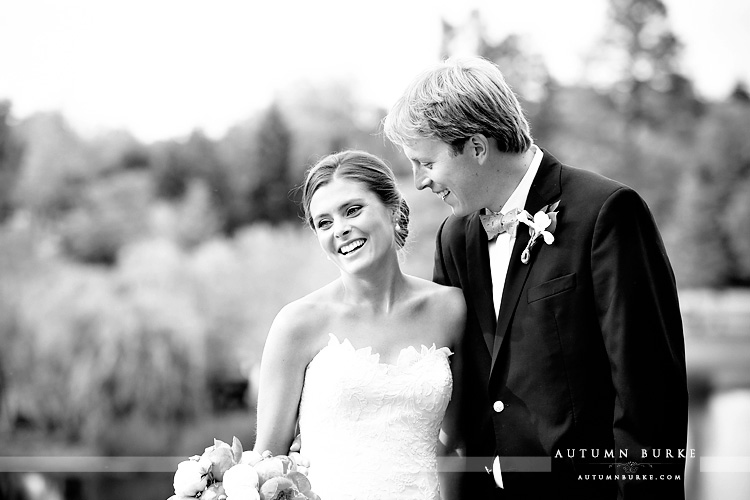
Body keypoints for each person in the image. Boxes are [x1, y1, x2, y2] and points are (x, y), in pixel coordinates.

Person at [383, 55, 688, 499]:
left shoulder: (606, 213)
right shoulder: (454, 238)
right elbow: (456, 387)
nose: (420, 182)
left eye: (426, 163)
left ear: (476, 147)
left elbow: (649, 399)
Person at [253, 150, 466, 500]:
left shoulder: (450, 309)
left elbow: (458, 445)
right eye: (324, 222)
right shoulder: (297, 324)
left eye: (352, 210)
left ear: (393, 210)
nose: (340, 229)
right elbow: (268, 462)